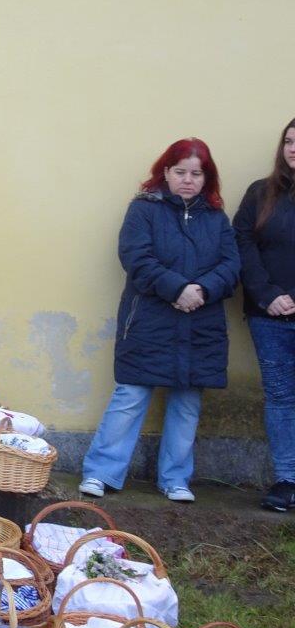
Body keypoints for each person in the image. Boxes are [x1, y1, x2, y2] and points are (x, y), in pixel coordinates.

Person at [79, 138, 241, 503]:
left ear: (207, 178)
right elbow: (136, 257)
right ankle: (100, 473)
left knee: (187, 402)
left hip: (201, 323)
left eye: (196, 174)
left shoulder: (216, 218)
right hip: (149, 320)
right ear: (165, 172)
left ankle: (175, 479)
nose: (188, 180)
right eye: (180, 172)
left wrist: (202, 290)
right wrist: (177, 289)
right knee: (131, 395)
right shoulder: (143, 210)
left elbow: (231, 265)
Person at [233, 117, 295, 512]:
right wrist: (268, 294)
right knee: (281, 398)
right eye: (289, 141)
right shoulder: (261, 193)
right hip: (268, 316)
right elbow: (242, 241)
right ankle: (287, 480)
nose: (293, 149)